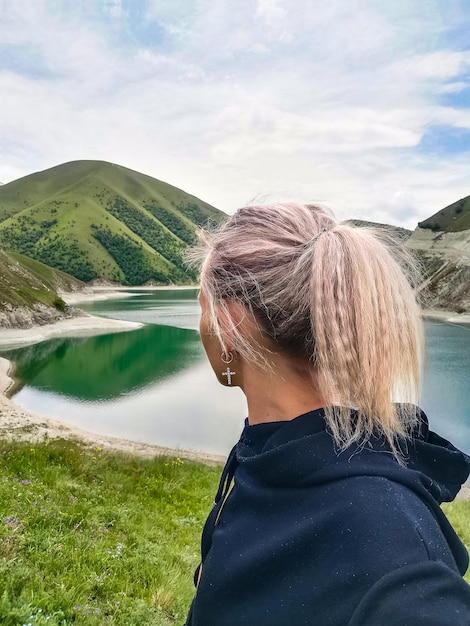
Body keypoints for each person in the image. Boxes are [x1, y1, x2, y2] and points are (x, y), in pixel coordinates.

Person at [184, 202, 470, 626]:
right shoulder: (266, 455)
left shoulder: (392, 546)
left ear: (230, 323)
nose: (200, 322)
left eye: (202, 305)